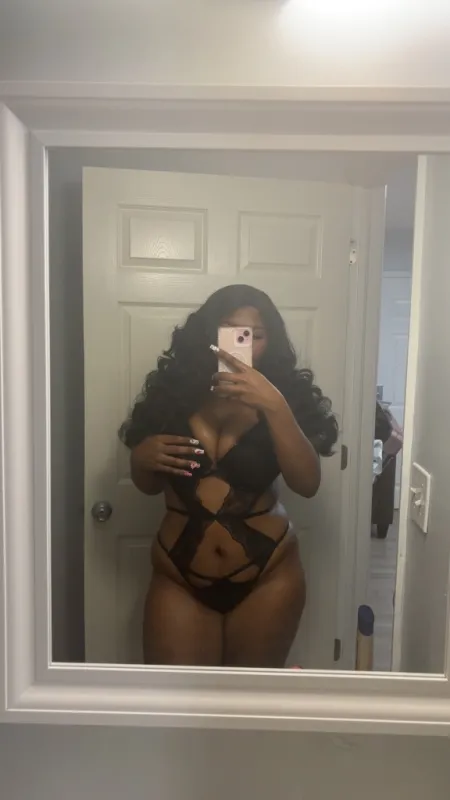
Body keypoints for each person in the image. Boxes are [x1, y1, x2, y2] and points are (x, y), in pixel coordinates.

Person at [120, 284, 338, 667]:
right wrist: (140, 460)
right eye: (229, 330)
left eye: (256, 334)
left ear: (271, 341)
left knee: (250, 699)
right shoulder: (173, 394)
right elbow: (149, 486)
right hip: (178, 577)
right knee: (175, 699)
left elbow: (307, 484)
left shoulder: (282, 399)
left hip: (269, 574)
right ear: (208, 333)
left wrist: (275, 405)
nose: (242, 343)